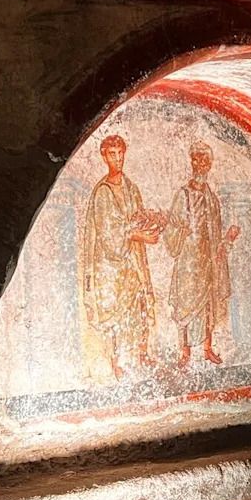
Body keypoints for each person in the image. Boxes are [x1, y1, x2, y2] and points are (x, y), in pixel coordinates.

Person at [82, 134, 165, 379]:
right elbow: (110, 234)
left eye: (120, 154)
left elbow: (135, 219)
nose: (118, 159)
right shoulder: (103, 193)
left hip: (133, 263)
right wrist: (139, 235)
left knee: (139, 303)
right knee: (116, 313)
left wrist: (152, 223)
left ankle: (142, 353)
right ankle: (116, 361)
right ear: (104, 156)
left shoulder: (131, 188)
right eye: (112, 154)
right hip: (111, 266)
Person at [164, 142, 240, 366]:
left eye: (206, 161)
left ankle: (207, 348)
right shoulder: (183, 195)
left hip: (207, 260)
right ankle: (185, 352)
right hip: (189, 260)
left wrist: (227, 239)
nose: (202, 165)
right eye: (197, 160)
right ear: (192, 162)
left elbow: (214, 233)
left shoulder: (212, 197)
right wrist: (181, 230)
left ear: (210, 164)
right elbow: (171, 226)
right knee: (185, 304)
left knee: (208, 305)